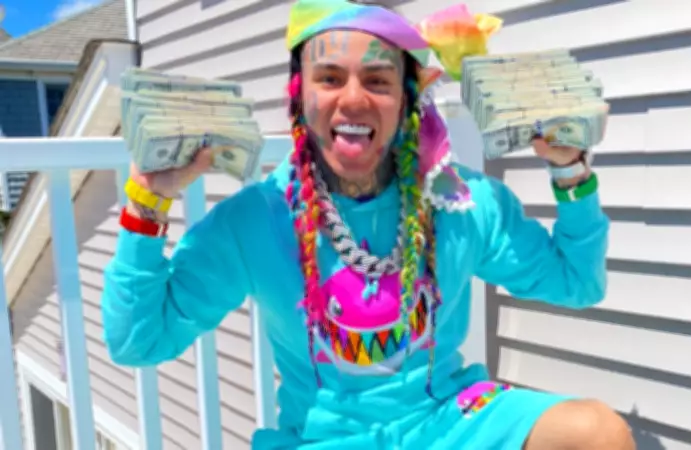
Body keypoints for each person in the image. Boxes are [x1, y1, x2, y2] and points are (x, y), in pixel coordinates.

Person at [102, 1, 634, 448]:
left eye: (377, 80)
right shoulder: (257, 219)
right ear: (299, 95)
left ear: (407, 100)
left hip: (449, 421)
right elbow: (138, 342)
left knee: (597, 432)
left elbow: (577, 282)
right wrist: (148, 200)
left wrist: (570, 171)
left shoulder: (462, 201)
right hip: (324, 438)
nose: (353, 99)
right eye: (330, 78)